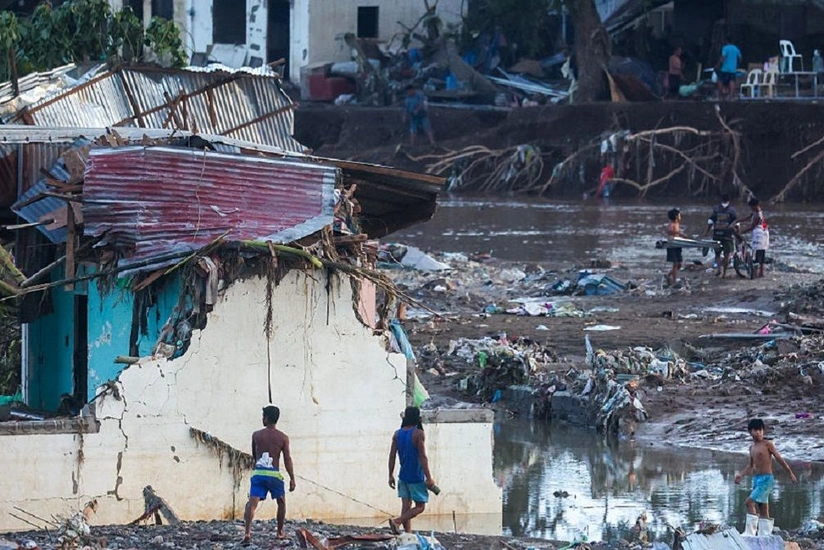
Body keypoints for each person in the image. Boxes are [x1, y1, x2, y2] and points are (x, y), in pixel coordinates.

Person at [734, 418, 797, 537]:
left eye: (760, 430)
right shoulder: (752, 448)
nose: (758, 432)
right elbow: (750, 466)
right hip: (757, 479)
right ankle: (765, 534)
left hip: (766, 479)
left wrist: (789, 472)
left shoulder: (767, 444)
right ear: (750, 432)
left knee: (749, 502)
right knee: (762, 507)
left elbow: (779, 458)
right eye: (755, 430)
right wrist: (741, 475)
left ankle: (750, 533)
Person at [243, 405, 296, 544]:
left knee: (252, 503)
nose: (262, 419)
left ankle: (247, 533)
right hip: (274, 474)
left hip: (259, 472)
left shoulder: (256, 435)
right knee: (281, 502)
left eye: (263, 416)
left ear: (266, 418)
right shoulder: (283, 437)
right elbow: (287, 459)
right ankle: (280, 532)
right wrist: (292, 478)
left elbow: (255, 456)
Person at [387, 406, 436, 534]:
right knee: (420, 506)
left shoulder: (397, 434)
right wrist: (429, 478)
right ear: (417, 418)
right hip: (416, 476)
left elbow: (392, 456)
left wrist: (390, 475)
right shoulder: (418, 434)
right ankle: (397, 521)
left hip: (403, 476)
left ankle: (407, 534)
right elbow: (423, 457)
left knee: (406, 506)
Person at [703, 193, 738, 277]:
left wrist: (706, 232)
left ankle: (719, 269)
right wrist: (737, 233)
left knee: (717, 254)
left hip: (717, 234)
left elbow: (710, 221)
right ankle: (724, 273)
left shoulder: (716, 209)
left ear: (721, 199)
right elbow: (735, 222)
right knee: (727, 255)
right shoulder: (732, 210)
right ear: (729, 200)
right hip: (727, 235)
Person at [739, 197, 769, 278]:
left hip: (760, 234)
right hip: (762, 231)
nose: (751, 208)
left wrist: (742, 232)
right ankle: (760, 272)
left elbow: (752, 227)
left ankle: (757, 271)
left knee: (758, 252)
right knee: (761, 251)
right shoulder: (756, 211)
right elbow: (748, 217)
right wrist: (739, 220)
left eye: (751, 206)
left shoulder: (757, 215)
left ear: (755, 205)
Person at [666, 208, 687, 286]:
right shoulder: (672, 224)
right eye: (679, 215)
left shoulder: (677, 223)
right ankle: (674, 281)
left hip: (678, 245)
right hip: (672, 245)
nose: (680, 216)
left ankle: (669, 275)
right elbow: (669, 231)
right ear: (676, 216)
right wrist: (680, 233)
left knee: (679, 264)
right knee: (675, 263)